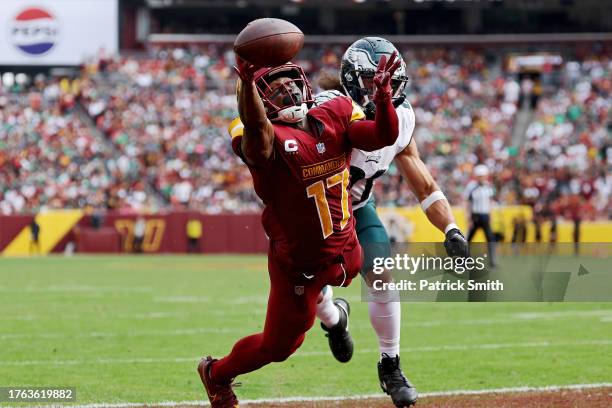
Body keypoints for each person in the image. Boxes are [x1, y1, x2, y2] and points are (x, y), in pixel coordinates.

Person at [197, 50, 403, 408]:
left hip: (346, 247)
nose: (288, 92)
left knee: (373, 270)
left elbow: (382, 135)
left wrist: (382, 97)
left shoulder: (334, 112)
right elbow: (257, 139)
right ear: (258, 103)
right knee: (280, 347)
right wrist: (246, 85)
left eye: (291, 83)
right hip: (299, 264)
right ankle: (216, 373)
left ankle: (345, 325)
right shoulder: (263, 136)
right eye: (275, 91)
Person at [312, 37, 469, 408]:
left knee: (382, 274)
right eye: (370, 82)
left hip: (359, 208)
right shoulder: (326, 112)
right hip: (314, 218)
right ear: (351, 81)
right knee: (312, 296)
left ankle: (391, 365)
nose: (381, 91)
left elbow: (424, 182)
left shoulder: (400, 121)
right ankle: (335, 319)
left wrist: (451, 229)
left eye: (389, 82)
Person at [465, 164, 496, 266]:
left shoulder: (488, 186)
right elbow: (468, 203)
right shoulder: (471, 186)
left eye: (483, 175)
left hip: (485, 215)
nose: (482, 177)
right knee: (469, 238)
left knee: (490, 238)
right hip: (475, 216)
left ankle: (492, 261)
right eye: (480, 176)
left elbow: (490, 201)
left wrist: (490, 215)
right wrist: (469, 217)